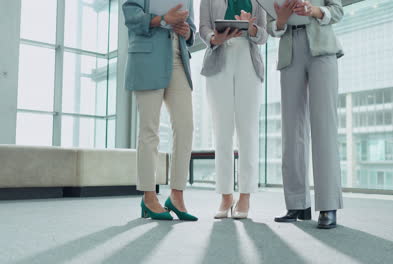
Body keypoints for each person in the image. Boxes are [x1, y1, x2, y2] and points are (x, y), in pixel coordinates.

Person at [267, 0, 344, 228]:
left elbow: (337, 11)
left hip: (321, 45)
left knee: (324, 127)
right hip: (290, 49)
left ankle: (328, 204)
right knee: (292, 130)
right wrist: (280, 21)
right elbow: (272, 25)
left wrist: (314, 10)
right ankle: (297, 203)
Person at [122, 0, 198, 221]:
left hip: (178, 59)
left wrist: (187, 32)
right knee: (149, 130)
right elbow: (130, 15)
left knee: (185, 128)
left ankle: (176, 195)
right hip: (147, 57)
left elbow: (190, 28)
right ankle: (148, 196)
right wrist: (164, 20)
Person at [199, 0, 267, 219]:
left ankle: (245, 195)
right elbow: (203, 27)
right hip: (219, 59)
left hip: (248, 59)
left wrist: (253, 28)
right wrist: (213, 38)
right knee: (222, 133)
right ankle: (226, 196)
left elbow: (264, 35)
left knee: (247, 131)